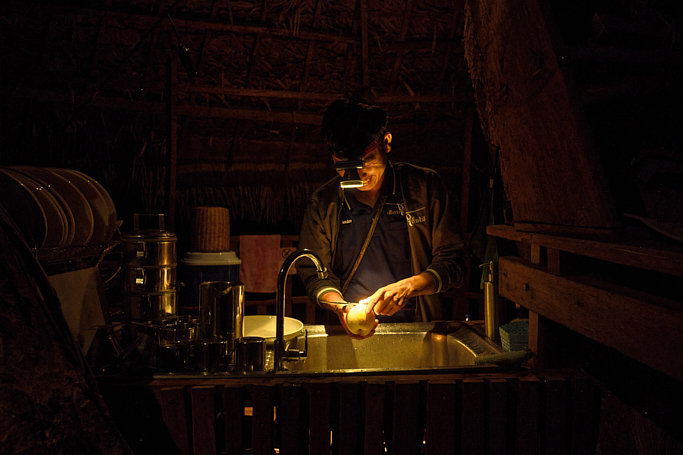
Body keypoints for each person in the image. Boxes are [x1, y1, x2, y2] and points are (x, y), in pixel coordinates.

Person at [297, 99, 468, 339]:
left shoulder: (424, 188)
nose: (358, 175)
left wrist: (410, 286)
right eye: (344, 166)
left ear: (386, 142)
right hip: (349, 333)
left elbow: (455, 261)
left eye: (366, 161)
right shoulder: (324, 203)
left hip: (419, 330)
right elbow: (315, 273)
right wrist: (342, 308)